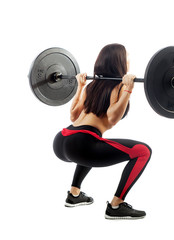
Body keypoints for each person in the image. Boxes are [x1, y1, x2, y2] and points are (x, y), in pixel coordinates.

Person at [53, 43, 152, 220]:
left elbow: (73, 117)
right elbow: (112, 117)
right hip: (81, 144)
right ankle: (116, 205)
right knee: (143, 151)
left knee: (94, 143)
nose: (129, 60)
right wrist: (127, 89)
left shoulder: (92, 86)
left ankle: (74, 194)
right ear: (120, 62)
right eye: (127, 57)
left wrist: (81, 87)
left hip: (62, 140)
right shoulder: (120, 87)